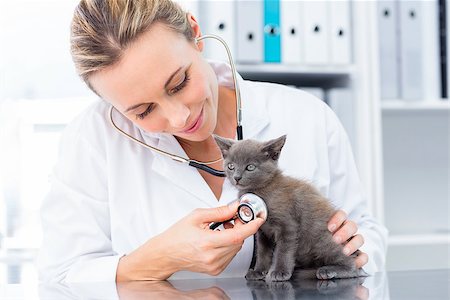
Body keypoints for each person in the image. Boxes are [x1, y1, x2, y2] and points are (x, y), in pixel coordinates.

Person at [38, 0, 388, 284]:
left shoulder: (307, 114)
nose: (179, 118)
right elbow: (60, 274)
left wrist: (356, 246)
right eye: (144, 111)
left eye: (179, 83)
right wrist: (160, 258)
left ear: (194, 34)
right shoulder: (92, 139)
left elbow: (366, 232)